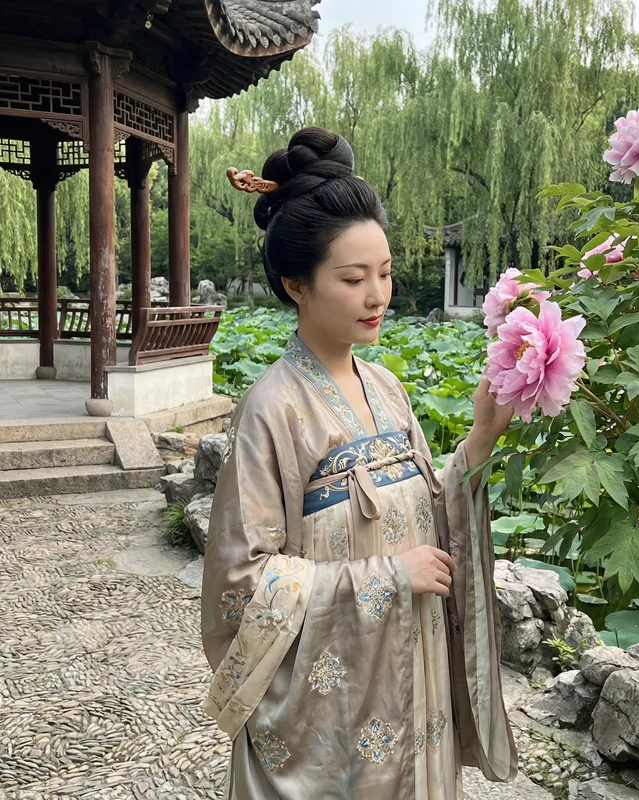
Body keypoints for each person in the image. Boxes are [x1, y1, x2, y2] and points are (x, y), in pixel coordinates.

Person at [201, 127, 518, 800]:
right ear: (296, 284)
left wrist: (479, 445)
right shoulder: (271, 409)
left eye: (385, 272)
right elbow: (242, 583)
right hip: (334, 708)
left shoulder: (388, 388)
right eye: (353, 278)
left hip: (414, 677)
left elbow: (432, 516)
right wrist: (384, 579)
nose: (378, 295)